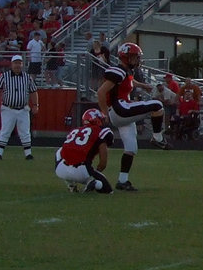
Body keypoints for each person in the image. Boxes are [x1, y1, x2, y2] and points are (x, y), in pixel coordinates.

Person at [97, 43, 167, 192]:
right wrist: (104, 113)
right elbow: (101, 92)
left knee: (131, 148)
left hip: (122, 112)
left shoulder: (126, 71)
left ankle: (123, 181)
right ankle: (157, 137)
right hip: (119, 109)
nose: (137, 59)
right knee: (157, 105)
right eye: (135, 56)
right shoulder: (119, 71)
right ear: (126, 56)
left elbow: (130, 82)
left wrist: (143, 85)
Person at [54, 109, 115, 194]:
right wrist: (96, 172)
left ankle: (70, 184)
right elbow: (103, 163)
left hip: (61, 169)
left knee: (60, 150)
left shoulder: (75, 131)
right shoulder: (101, 131)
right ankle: (94, 183)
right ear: (96, 120)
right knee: (108, 190)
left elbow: (63, 150)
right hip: (82, 170)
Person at [0, 55, 39, 160]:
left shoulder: (27, 77)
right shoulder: (4, 76)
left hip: (23, 109)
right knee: (5, 131)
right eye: (15, 63)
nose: (17, 65)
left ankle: (28, 154)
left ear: (22, 64)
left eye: (19, 63)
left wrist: (36, 105)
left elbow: (33, 92)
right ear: (12, 64)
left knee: (25, 132)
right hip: (8, 108)